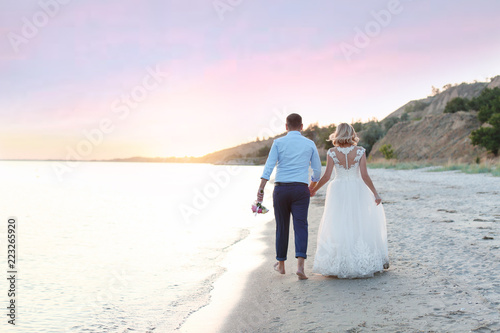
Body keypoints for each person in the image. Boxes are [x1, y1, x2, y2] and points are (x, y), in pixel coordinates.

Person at [310, 123, 389, 278]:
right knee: (358, 220)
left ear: (337, 134)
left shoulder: (332, 152)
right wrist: (375, 193)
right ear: (352, 134)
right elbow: (365, 176)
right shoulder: (360, 151)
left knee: (338, 222)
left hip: (338, 189)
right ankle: (361, 259)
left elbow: (326, 176)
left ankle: (340, 261)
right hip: (357, 187)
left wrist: (313, 189)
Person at [257, 113, 321, 280]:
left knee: (282, 226)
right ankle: (300, 267)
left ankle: (281, 265)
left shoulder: (278, 142)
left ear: (286, 126)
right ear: (302, 126)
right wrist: (312, 186)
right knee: (301, 226)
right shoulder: (309, 143)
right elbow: (317, 171)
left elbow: (269, 166)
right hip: (300, 189)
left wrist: (261, 189)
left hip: (281, 189)